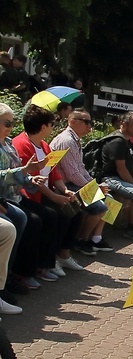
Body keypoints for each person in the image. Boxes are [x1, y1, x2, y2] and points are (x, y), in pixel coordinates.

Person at [12, 104, 85, 280]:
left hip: (44, 193)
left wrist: (65, 190)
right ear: (44, 127)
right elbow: (32, 180)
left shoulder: (45, 146)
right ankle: (43, 264)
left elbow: (53, 172)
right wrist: (55, 197)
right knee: (53, 215)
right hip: (30, 195)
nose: (53, 127)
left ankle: (62, 255)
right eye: (52, 124)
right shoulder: (22, 145)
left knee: (75, 211)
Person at [49, 108, 113, 255]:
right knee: (99, 207)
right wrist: (94, 188)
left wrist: (95, 185)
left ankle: (96, 238)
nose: (89, 126)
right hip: (63, 185)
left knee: (110, 200)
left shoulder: (75, 140)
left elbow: (81, 168)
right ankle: (81, 240)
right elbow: (72, 174)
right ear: (72, 121)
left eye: (90, 122)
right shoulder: (67, 141)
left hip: (73, 183)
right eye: (86, 122)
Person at [0, 103, 46, 292]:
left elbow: (21, 172)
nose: (10, 127)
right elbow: (3, 175)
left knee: (41, 217)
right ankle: (10, 277)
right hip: (5, 197)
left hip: (14, 196)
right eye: (6, 123)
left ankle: (21, 272)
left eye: (12, 123)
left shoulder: (9, 144)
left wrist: (31, 179)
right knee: (22, 219)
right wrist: (25, 171)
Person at [100, 111, 133, 242]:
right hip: (111, 178)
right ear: (124, 124)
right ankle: (130, 228)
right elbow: (122, 169)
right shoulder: (117, 141)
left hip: (122, 176)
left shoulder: (126, 141)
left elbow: (131, 167)